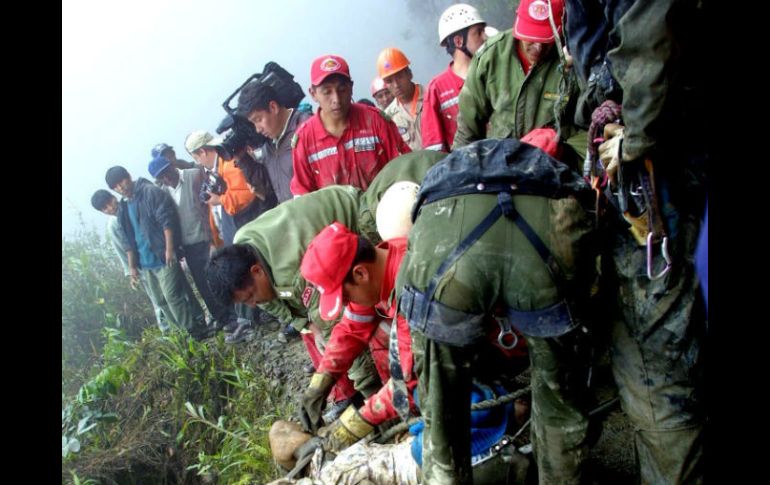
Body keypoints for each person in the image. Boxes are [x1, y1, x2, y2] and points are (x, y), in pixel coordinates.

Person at [396, 137, 597, 484]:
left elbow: (416, 339)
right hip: (550, 236)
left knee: (442, 416)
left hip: (448, 248)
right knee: (560, 405)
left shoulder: (426, 197)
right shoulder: (553, 171)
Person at [565, 0, 708, 482]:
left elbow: (648, 32)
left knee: (657, 351)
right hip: (654, 150)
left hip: (661, 164)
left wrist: (637, 135)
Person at [205, 185, 385, 419]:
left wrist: (371, 399)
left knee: (378, 307)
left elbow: (343, 329)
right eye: (245, 302)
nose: (253, 305)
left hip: (357, 215)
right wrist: (309, 326)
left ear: (257, 271)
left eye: (249, 297)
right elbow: (278, 305)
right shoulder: (243, 249)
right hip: (311, 240)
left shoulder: (293, 273)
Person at [453, 0, 586, 169]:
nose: (538, 48)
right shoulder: (490, 57)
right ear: (518, 26)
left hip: (555, 172)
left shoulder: (576, 61)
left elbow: (593, 132)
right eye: (531, 38)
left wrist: (559, 145)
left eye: (546, 39)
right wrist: (461, 173)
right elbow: (467, 133)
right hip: (500, 171)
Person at [104, 166, 210, 339]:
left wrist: (169, 249)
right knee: (161, 300)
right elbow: (127, 241)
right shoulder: (123, 206)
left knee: (173, 296)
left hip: (163, 256)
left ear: (129, 176)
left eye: (121, 181)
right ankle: (182, 332)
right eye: (115, 186)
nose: (120, 187)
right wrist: (132, 268)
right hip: (145, 263)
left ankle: (194, 329)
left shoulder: (149, 192)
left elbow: (167, 221)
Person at [290, 54, 410, 196]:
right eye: (327, 92)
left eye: (342, 90)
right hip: (332, 211)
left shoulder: (375, 121)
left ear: (351, 88)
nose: (336, 99)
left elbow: (404, 168)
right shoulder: (304, 140)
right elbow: (303, 195)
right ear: (313, 94)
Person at [148, 156, 241, 335]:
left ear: (172, 166)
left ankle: (238, 314)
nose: (166, 178)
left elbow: (209, 206)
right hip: (187, 246)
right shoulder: (163, 192)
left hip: (206, 238)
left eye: (167, 172)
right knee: (203, 284)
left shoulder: (194, 175)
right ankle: (222, 317)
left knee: (222, 276)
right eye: (161, 177)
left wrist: (213, 238)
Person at [90, 189, 170, 331]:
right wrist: (132, 271)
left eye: (110, 202)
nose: (110, 208)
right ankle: (167, 329)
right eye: (105, 208)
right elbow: (122, 250)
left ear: (114, 197)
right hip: (142, 267)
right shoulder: (113, 225)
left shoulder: (130, 207)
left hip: (157, 256)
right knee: (157, 298)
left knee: (171, 292)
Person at [421, 3, 488, 152]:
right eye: (478, 32)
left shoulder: (492, 72)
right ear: (459, 41)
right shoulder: (437, 89)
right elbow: (434, 151)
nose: (485, 37)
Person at [236, 77, 313, 204]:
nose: (258, 129)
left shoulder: (308, 130)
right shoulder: (269, 147)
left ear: (273, 107)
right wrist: (242, 159)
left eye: (258, 120)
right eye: (253, 123)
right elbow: (271, 191)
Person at [377, 47, 424, 151]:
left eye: (399, 77)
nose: (396, 85)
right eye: (389, 81)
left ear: (409, 74)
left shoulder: (432, 97)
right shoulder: (388, 117)